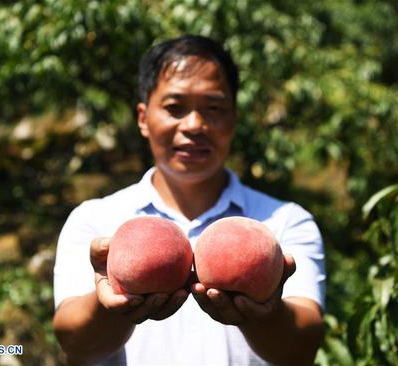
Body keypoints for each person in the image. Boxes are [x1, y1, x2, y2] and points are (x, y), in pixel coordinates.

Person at [53, 34, 326, 366]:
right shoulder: (96, 220)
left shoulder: (284, 222)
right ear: (143, 118)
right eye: (174, 108)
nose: (195, 125)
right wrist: (111, 304)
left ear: (234, 119)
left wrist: (265, 315)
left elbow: (302, 351)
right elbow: (74, 346)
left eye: (214, 108)